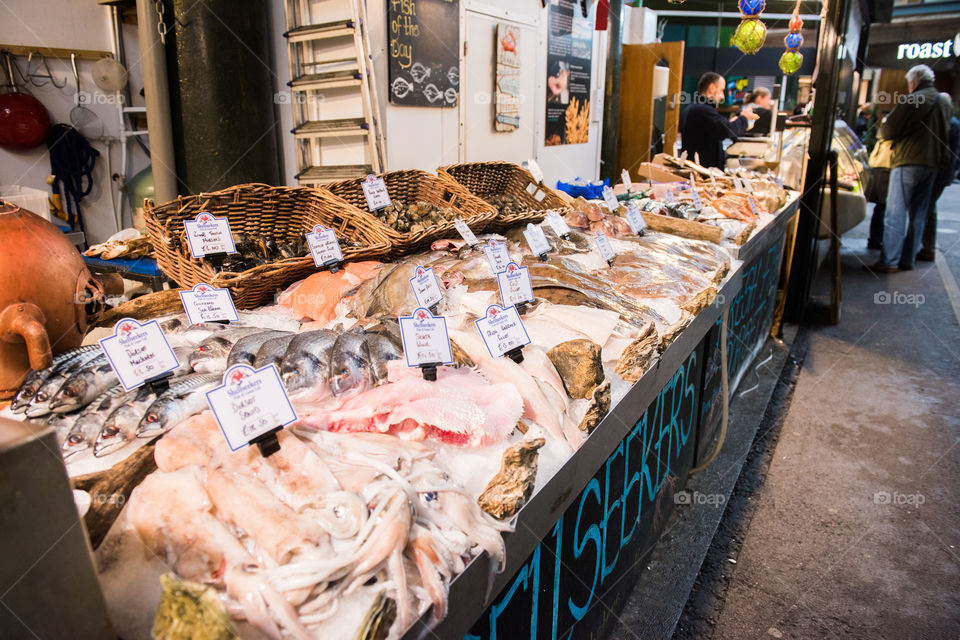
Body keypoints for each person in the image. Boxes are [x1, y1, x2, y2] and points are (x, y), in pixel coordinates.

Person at [871, 65, 952, 273]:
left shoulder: (913, 99)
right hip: (932, 164)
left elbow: (888, 130)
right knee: (919, 213)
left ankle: (889, 261)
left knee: (895, 213)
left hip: (907, 161)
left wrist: (886, 127)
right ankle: (907, 259)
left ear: (913, 83)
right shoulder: (944, 101)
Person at [680, 72, 758, 168]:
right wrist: (744, 118)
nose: (722, 96)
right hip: (701, 172)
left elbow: (720, 128)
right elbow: (726, 131)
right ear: (712, 88)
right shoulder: (702, 110)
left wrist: (732, 122)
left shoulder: (693, 108)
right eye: (721, 90)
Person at [918, 106, 960, 261]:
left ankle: (926, 247)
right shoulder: (951, 122)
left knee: (927, 208)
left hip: (939, 173)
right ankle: (926, 247)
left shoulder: (950, 124)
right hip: (941, 173)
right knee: (929, 208)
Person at [865, 135, 893, 250]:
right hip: (885, 168)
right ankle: (876, 239)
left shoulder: (884, 132)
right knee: (882, 208)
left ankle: (875, 239)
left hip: (880, 166)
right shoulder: (890, 132)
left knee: (881, 208)